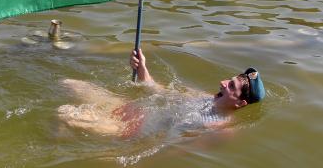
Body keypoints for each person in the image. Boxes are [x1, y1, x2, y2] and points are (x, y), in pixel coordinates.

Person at [58, 49, 265, 138]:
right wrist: (142, 68)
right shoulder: (202, 95)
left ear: (240, 104)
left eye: (231, 86)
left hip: (127, 130)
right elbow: (157, 90)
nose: (222, 83)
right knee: (68, 83)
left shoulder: (219, 129)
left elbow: (173, 150)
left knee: (65, 113)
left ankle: (60, 138)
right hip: (128, 108)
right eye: (229, 80)